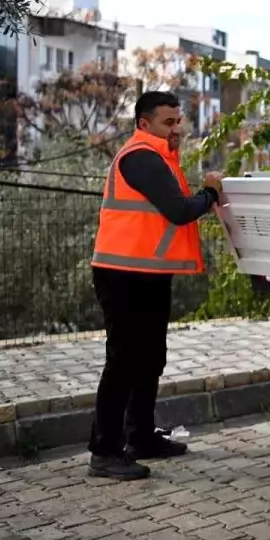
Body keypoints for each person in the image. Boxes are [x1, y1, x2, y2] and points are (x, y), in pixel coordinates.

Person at [87, 91, 223, 481]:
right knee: (123, 363)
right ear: (145, 124)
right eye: (169, 122)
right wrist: (210, 193)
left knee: (149, 358)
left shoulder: (159, 157)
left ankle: (141, 438)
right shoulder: (141, 157)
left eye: (179, 121)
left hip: (145, 274)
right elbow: (179, 211)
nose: (177, 128)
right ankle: (105, 452)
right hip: (122, 275)